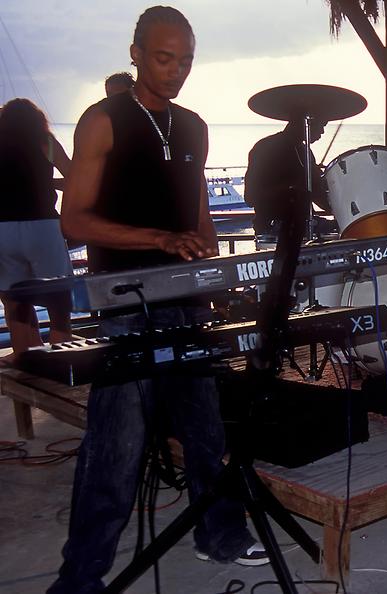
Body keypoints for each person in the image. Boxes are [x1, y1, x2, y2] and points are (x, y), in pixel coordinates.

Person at [47, 7, 265, 593]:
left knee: (205, 430)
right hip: (125, 302)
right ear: (137, 53)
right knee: (115, 445)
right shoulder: (103, 121)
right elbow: (75, 220)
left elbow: (198, 215)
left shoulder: (194, 126)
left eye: (186, 61)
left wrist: (217, 275)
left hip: (187, 298)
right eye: (164, 58)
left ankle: (220, 534)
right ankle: (81, 574)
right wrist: (158, 239)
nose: (175, 72)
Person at [0, 98, 73, 355]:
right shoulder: (46, 142)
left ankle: (25, 359)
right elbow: (74, 176)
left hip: (4, 229)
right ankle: (62, 357)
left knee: (14, 299)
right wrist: (48, 184)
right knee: (59, 299)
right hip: (42, 226)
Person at [244, 117, 330, 242]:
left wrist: (344, 207)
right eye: (321, 126)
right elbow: (250, 197)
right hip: (272, 229)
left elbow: (317, 194)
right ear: (306, 123)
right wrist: (293, 186)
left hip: (305, 226)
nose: (322, 132)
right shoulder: (264, 148)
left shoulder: (305, 152)